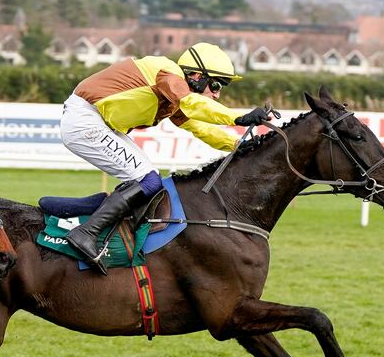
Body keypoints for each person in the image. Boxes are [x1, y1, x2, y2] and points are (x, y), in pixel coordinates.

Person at [60, 42, 270, 274]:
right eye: (216, 85)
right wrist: (238, 117)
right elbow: (193, 104)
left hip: (99, 123)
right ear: (197, 75)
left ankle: (81, 217)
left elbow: (198, 127)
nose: (217, 94)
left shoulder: (174, 93)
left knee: (150, 182)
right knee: (148, 181)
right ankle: (86, 233)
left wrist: (239, 145)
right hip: (86, 121)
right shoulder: (166, 73)